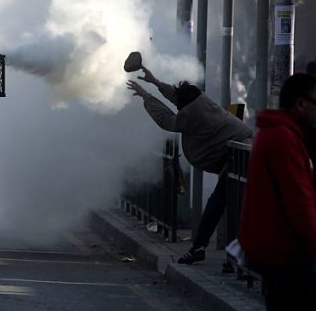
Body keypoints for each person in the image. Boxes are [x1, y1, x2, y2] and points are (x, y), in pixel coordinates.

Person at [127, 67, 253, 264]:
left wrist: (146, 96)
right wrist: (156, 82)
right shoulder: (201, 102)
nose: (178, 105)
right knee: (234, 205)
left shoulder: (190, 116)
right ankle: (232, 258)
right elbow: (179, 98)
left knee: (218, 203)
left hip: (240, 157)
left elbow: (168, 120)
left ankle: (203, 249)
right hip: (240, 154)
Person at [238, 73, 316, 311]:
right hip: (286, 253)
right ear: (301, 104)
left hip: (277, 251)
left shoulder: (278, 133)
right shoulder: (282, 138)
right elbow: (298, 201)